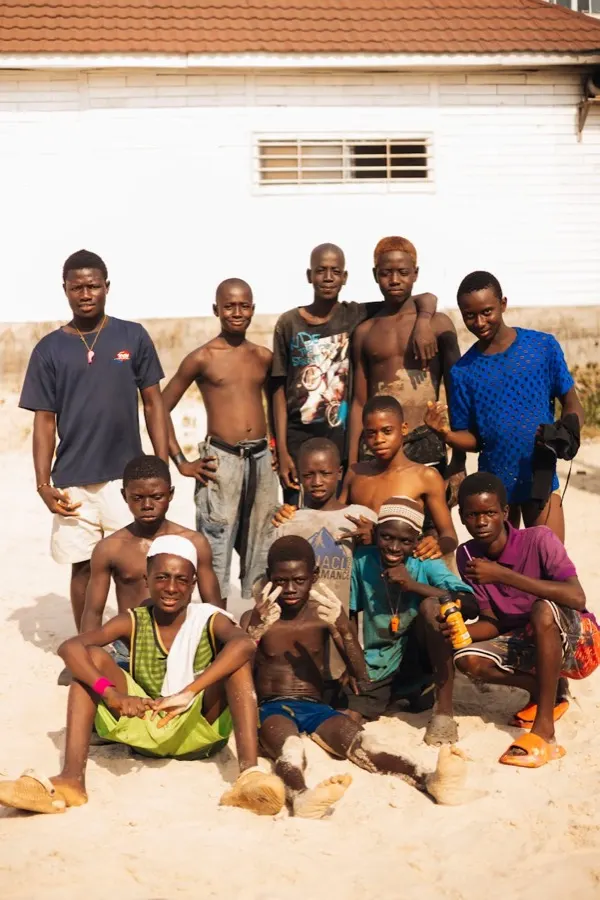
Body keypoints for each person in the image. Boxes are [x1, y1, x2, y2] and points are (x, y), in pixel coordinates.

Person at [0, 535, 286, 816]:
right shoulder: (133, 620)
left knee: (236, 662)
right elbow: (70, 647)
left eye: (181, 579)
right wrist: (111, 693)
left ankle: (248, 774)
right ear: (146, 580)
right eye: (161, 577)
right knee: (91, 661)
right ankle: (72, 779)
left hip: (197, 733)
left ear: (193, 584)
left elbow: (245, 644)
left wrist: (189, 692)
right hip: (145, 727)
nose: (171, 588)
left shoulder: (209, 618)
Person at [241, 536, 470, 818]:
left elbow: (363, 676)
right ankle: (301, 796)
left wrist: (343, 627)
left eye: (299, 580)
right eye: (281, 580)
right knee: (290, 749)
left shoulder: (322, 614)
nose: (290, 589)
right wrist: (254, 633)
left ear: (314, 577)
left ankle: (428, 778)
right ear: (268, 578)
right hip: (273, 706)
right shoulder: (256, 617)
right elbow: (240, 674)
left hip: (316, 707)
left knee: (365, 744)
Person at [18, 250, 168, 648]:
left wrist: (162, 464)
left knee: (134, 569)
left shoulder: (131, 336)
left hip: (127, 476)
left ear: (107, 287)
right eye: (77, 286)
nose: (86, 293)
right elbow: (44, 421)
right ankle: (87, 650)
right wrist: (42, 483)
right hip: (73, 482)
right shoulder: (48, 349)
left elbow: (154, 402)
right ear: (65, 289)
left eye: (93, 285)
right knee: (82, 570)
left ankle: (136, 650)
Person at [447, 472, 600, 768]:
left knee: (542, 609)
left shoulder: (539, 539)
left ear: (505, 513)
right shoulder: (467, 555)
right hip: (529, 639)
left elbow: (577, 598)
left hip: (581, 644)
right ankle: (544, 690)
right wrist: (459, 631)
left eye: (490, 513)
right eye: (472, 515)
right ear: (462, 517)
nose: (481, 522)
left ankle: (545, 733)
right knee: (467, 659)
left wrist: (502, 575)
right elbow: (496, 622)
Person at [272, 242, 439, 504]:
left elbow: (421, 297)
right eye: (321, 270)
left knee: (339, 519)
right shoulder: (288, 323)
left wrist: (425, 320)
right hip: (298, 443)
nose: (328, 278)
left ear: (345, 277)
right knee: (298, 518)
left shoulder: (355, 314)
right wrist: (281, 450)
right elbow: (278, 390)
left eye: (335, 271)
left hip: (340, 441)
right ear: (309, 275)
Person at [425, 270, 584, 542]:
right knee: (502, 571)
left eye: (487, 311)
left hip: (539, 474)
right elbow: (474, 439)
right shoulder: (463, 371)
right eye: (469, 315)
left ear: (503, 304)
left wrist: (568, 429)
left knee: (549, 564)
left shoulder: (541, 348)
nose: (479, 322)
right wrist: (446, 435)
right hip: (494, 487)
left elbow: (572, 402)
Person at [162, 278, 279, 604]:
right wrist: (181, 462)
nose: (237, 312)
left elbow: (278, 405)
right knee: (215, 544)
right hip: (220, 461)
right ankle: (215, 625)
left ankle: (258, 630)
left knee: (263, 541)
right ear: (217, 309)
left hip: (261, 459)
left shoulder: (262, 357)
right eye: (229, 306)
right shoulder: (202, 358)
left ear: (253, 309)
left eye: (244, 306)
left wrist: (278, 448)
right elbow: (159, 406)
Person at [348, 236, 466, 509]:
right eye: (386, 273)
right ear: (375, 275)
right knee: (381, 527)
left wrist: (459, 460)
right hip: (378, 442)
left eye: (403, 272)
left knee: (431, 526)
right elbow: (358, 402)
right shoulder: (365, 332)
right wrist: (354, 462)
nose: (394, 279)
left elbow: (458, 391)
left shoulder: (437, 325)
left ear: (416, 274)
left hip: (427, 438)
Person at [348, 497, 476, 742]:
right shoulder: (362, 561)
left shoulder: (424, 563)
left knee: (432, 606)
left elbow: (470, 603)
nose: (394, 548)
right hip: (379, 661)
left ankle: (443, 711)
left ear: (416, 542)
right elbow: (351, 615)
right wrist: (352, 664)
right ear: (375, 534)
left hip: (420, 656)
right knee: (350, 708)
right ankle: (406, 692)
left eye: (405, 541)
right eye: (386, 537)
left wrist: (413, 586)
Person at [269, 437, 375, 692]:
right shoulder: (288, 523)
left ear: (339, 472)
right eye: (309, 475)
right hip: (299, 635)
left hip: (345, 629)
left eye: (325, 473)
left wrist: (375, 536)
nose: (317, 482)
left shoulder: (359, 518)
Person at [81, 455, 222, 646]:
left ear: (170, 494)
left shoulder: (194, 543)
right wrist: (88, 652)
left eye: (156, 497)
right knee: (79, 673)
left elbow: (213, 606)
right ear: (124, 496)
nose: (147, 506)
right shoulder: (110, 548)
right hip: (131, 647)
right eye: (137, 498)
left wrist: (218, 648)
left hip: (181, 644)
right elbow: (93, 612)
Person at [342, 395, 458, 558]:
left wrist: (437, 544)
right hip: (360, 570)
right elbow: (336, 518)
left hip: (403, 570)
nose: (379, 439)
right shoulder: (355, 473)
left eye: (387, 431)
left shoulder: (425, 477)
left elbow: (450, 536)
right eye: (371, 433)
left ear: (404, 429)